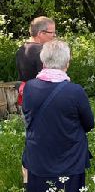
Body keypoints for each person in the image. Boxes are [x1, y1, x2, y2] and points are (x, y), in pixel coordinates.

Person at [22, 40, 94, 191]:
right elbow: (89, 124)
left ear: (43, 62)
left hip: (38, 159)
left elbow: (28, 117)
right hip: (70, 160)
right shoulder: (75, 91)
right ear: (67, 63)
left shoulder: (29, 87)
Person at [15, 16, 56, 188]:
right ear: (40, 33)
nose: (54, 36)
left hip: (26, 99)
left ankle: (27, 177)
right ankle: (44, 178)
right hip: (42, 101)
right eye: (52, 33)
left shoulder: (21, 49)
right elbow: (48, 80)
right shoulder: (41, 52)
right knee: (46, 140)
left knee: (31, 137)